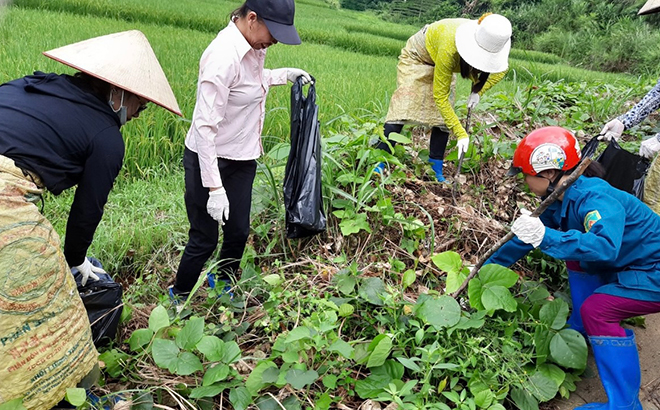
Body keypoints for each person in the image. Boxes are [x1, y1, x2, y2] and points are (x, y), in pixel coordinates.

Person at [0, 31, 181, 409]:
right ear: (117, 93)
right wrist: (75, 261)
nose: (136, 116)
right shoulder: (106, 137)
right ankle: (50, 396)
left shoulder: (33, 85)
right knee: (40, 310)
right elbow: (87, 212)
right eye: (138, 107)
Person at [486, 126, 660, 409]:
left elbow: (604, 246)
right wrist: (487, 270)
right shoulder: (563, 198)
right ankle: (580, 330)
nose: (524, 182)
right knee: (574, 254)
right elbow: (528, 239)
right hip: (638, 261)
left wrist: (546, 237)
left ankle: (624, 405)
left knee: (598, 310)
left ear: (549, 174)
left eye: (526, 175)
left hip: (655, 271)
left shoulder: (594, 200)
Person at [169, 0, 312, 300]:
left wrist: (282, 75)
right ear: (251, 18)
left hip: (243, 158)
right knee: (204, 238)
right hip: (208, 159)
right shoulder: (222, 57)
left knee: (238, 232)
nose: (273, 41)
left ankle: (222, 282)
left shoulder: (254, 47)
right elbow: (205, 129)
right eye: (272, 32)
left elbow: (249, 84)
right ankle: (178, 295)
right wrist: (214, 187)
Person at [374, 13, 512, 182]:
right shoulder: (451, 46)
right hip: (418, 57)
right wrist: (461, 133)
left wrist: (478, 92)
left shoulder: (495, 40)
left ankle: (435, 170)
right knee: (403, 106)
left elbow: (500, 72)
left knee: (442, 119)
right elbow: (440, 96)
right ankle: (379, 163)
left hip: (444, 60)